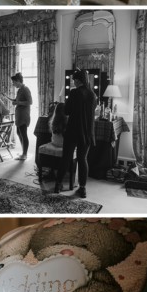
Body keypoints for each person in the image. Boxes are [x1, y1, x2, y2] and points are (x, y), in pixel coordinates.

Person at [61, 69, 97, 198]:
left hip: (73, 130)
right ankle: (82, 188)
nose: (73, 83)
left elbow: (67, 111)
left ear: (77, 80)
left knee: (66, 156)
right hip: (87, 131)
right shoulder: (93, 95)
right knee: (83, 159)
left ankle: (59, 183)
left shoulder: (74, 93)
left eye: (73, 81)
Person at [7, 72, 33, 160]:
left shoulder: (26, 89)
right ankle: (23, 152)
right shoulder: (20, 90)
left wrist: (18, 102)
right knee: (19, 133)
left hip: (23, 115)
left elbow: (30, 102)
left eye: (14, 82)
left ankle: (25, 154)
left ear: (18, 81)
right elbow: (17, 100)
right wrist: (7, 97)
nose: (13, 84)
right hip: (19, 115)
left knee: (23, 134)